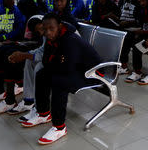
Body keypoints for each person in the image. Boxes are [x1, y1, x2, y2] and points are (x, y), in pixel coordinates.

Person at [19, 13, 102, 145]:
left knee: (59, 82)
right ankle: (44, 113)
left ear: (60, 26)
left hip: (91, 73)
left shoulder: (70, 40)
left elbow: (67, 68)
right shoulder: (52, 38)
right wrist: (54, 65)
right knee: (42, 74)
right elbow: (47, 61)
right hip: (75, 68)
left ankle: (59, 127)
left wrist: (55, 66)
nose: (48, 32)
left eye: (51, 28)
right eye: (45, 29)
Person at [116, 0, 138, 74]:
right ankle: (124, 67)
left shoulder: (137, 0)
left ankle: (137, 71)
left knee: (136, 51)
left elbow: (139, 18)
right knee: (123, 48)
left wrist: (127, 23)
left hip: (134, 28)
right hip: (123, 27)